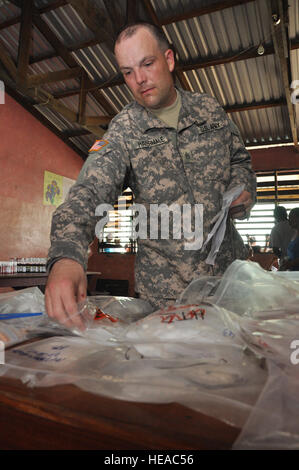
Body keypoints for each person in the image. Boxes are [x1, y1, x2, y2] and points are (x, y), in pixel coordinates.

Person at [45, 22, 256, 329]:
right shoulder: (125, 129)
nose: (139, 79)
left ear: (168, 59)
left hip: (228, 288)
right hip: (165, 302)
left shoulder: (209, 111)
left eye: (147, 64)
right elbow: (90, 189)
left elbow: (241, 161)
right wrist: (66, 255)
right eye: (128, 72)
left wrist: (244, 189)